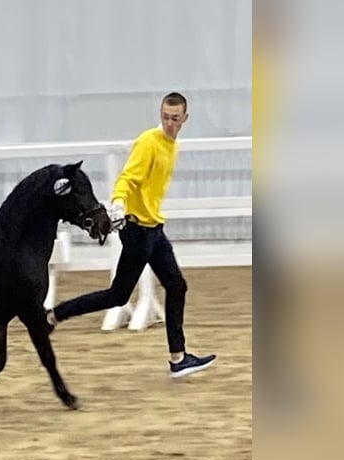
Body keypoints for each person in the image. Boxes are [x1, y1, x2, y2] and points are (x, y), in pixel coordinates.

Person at [45, 92, 216, 378]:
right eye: (165, 117)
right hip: (138, 230)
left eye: (175, 118)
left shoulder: (172, 146)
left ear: (185, 119)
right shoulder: (149, 142)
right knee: (118, 295)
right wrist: (119, 203)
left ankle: (178, 357)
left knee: (176, 286)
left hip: (153, 229)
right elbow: (127, 178)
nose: (170, 123)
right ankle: (54, 315)